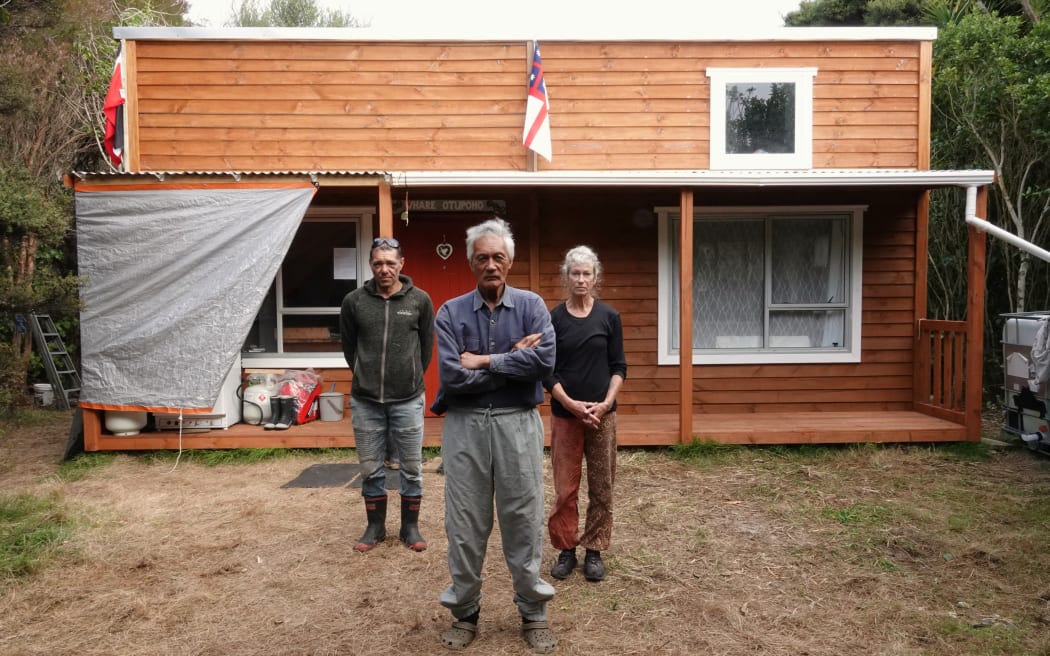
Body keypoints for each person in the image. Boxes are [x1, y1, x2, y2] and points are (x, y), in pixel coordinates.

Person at [433, 218, 558, 654]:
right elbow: (451, 377)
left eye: (498, 257)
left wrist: (484, 361)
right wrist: (511, 360)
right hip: (464, 426)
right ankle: (465, 613)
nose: (490, 264)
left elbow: (544, 363)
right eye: (482, 257)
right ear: (471, 262)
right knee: (465, 524)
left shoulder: (532, 306)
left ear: (511, 261)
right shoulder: (449, 312)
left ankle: (533, 612)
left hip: (517, 423)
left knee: (523, 519)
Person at [339, 236, 435, 553]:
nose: (384, 269)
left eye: (390, 263)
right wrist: (366, 374)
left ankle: (410, 527)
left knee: (411, 467)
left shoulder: (419, 301)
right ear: (371, 265)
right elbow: (349, 348)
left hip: (408, 399)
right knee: (370, 468)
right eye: (378, 263)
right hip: (365, 401)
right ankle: (375, 527)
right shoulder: (354, 302)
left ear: (401, 264)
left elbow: (425, 348)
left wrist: (408, 377)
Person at [545, 246, 626, 583]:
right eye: (575, 273)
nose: (580, 279)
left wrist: (605, 403)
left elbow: (618, 367)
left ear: (596, 278)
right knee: (565, 488)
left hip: (602, 416)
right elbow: (547, 372)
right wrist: (572, 405)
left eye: (586, 273)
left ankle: (593, 550)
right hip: (566, 415)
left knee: (602, 486)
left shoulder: (609, 317)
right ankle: (567, 549)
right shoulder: (555, 318)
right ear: (567, 277)